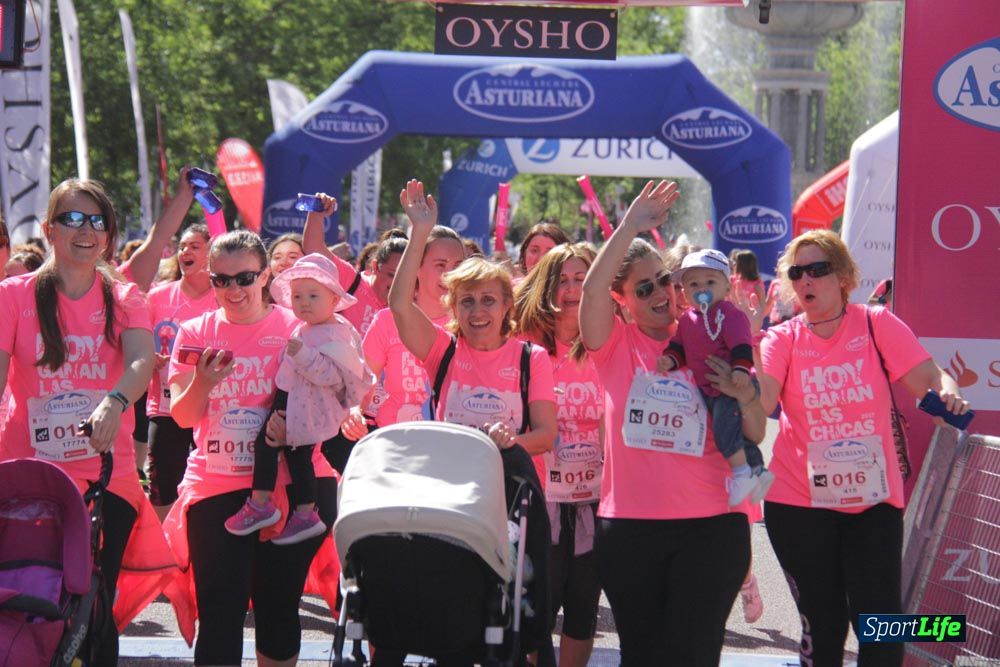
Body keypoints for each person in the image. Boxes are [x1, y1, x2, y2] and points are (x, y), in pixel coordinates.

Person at [757, 229, 970, 667]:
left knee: (881, 626)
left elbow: (931, 378)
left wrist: (947, 393)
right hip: (799, 503)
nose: (807, 281)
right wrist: (744, 359)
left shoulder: (875, 323)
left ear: (843, 277)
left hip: (873, 503)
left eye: (818, 270)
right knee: (825, 624)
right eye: (797, 273)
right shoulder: (782, 339)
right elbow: (761, 404)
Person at [579, 180, 768, 666]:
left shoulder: (721, 334)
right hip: (630, 530)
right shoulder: (615, 345)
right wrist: (629, 226)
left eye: (666, 279)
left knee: (694, 655)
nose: (663, 292)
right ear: (622, 300)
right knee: (643, 656)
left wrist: (746, 392)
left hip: (712, 528)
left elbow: (754, 432)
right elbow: (591, 287)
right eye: (645, 288)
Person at [165, 230, 338, 665]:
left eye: (244, 278)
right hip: (217, 485)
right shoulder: (194, 332)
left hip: (294, 484)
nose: (233, 290)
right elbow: (183, 417)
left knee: (278, 610)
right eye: (221, 280)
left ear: (265, 276)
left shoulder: (296, 328)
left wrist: (294, 425)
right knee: (221, 612)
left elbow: (334, 394)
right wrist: (203, 382)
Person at [0, 179, 157, 656]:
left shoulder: (126, 298)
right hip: (29, 478)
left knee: (91, 609)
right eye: (71, 218)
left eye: (96, 220)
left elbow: (140, 362)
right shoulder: (13, 295)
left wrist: (113, 402)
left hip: (105, 478)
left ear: (108, 235)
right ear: (49, 229)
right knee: (26, 601)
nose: (85, 229)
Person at [225, 250, 373, 545]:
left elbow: (334, 377)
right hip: (291, 398)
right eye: (297, 296)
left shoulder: (337, 334)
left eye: (313, 296)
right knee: (292, 453)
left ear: (333, 299)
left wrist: (304, 356)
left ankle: (269, 505)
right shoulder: (310, 328)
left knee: (276, 447)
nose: (303, 303)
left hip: (301, 404)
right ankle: (298, 511)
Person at [514, 243, 603, 667]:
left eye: (581, 279)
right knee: (538, 609)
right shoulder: (526, 349)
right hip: (539, 502)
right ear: (547, 288)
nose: (571, 289)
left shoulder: (609, 342)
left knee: (584, 607)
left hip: (597, 501)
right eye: (562, 280)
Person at [657, 248, 773, 506]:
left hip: (731, 383)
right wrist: (671, 360)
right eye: (693, 284)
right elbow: (680, 347)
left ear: (727, 285)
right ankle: (757, 470)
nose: (702, 288)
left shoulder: (730, 314)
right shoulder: (688, 320)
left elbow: (741, 345)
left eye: (710, 281)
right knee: (733, 433)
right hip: (710, 389)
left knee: (724, 433)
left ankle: (742, 474)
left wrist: (741, 370)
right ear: (683, 291)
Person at [346, 224, 464, 440]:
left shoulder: (469, 325)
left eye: (458, 265)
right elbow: (361, 379)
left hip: (449, 446)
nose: (450, 274)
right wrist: (354, 410)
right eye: (440, 265)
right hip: (394, 445)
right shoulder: (387, 320)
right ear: (416, 267)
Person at [146, 224, 218, 520]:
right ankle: (162, 552)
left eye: (195, 246)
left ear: (212, 253)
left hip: (214, 409)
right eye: (182, 247)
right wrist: (147, 358)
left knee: (207, 486)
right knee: (163, 484)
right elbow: (137, 340)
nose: (185, 251)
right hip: (164, 407)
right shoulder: (157, 296)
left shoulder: (225, 296)